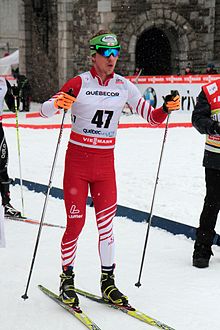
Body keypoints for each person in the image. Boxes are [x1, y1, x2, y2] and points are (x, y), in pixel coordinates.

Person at [40, 30, 180, 308]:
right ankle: (67, 279)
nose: (112, 58)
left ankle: (108, 283)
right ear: (93, 55)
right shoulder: (79, 82)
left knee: (107, 228)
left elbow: (151, 118)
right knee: (76, 224)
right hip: (77, 165)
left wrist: (165, 108)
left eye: (116, 53)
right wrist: (58, 104)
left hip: (105, 167)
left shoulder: (124, 86)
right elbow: (44, 111)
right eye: (106, 54)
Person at [192, 79, 220, 268]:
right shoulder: (211, 90)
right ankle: (202, 249)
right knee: (212, 202)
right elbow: (197, 119)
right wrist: (214, 127)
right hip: (216, 157)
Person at [0, 77, 21, 217]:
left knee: (2, 165)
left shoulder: (3, 82)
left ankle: (6, 204)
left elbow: (14, 107)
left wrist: (16, 95)